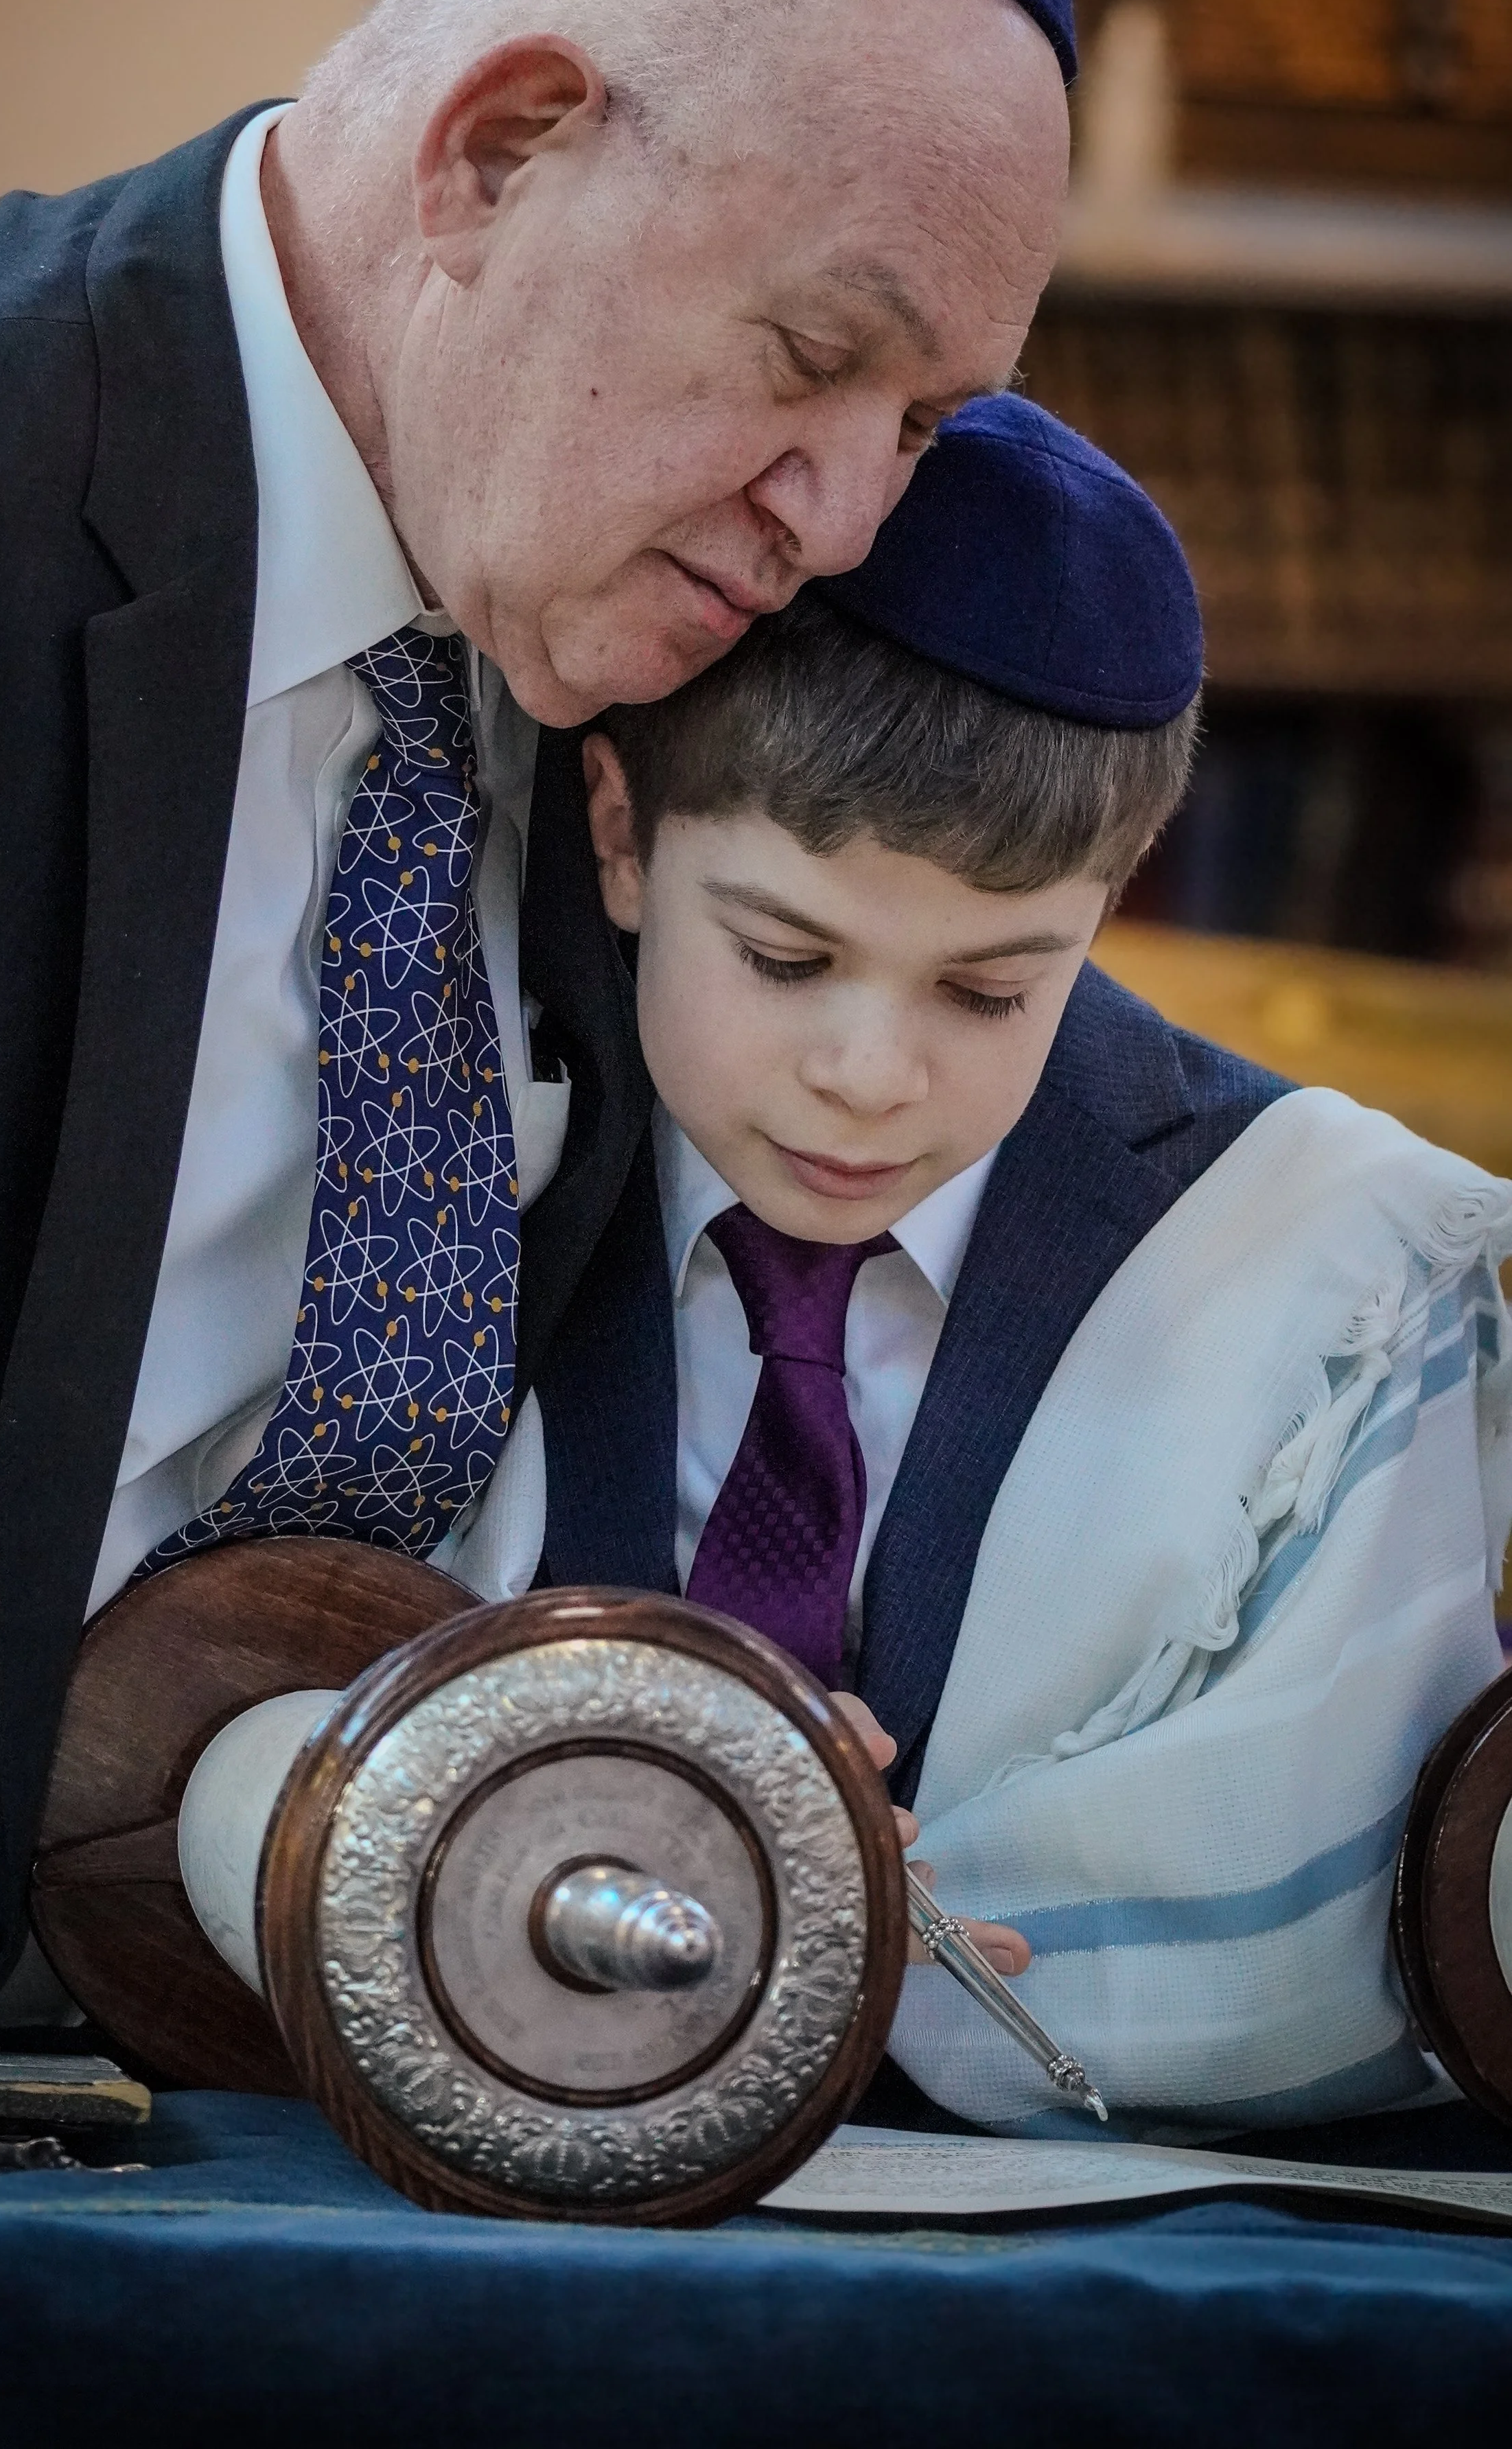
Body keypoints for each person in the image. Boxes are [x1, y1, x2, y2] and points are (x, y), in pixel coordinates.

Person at [0, 0, 1073, 2044]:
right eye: (813, 361)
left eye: (927, 427)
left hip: (363, 2097)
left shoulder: (670, 643)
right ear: (496, 152)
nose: (845, 518)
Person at [437, 395, 1512, 2132]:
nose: (869, 1077)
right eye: (787, 956)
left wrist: (833, 1912)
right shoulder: (433, 1141)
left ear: (1113, 895)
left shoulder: (1332, 1265)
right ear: (623, 835)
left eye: (990, 990)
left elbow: (1319, 1900)